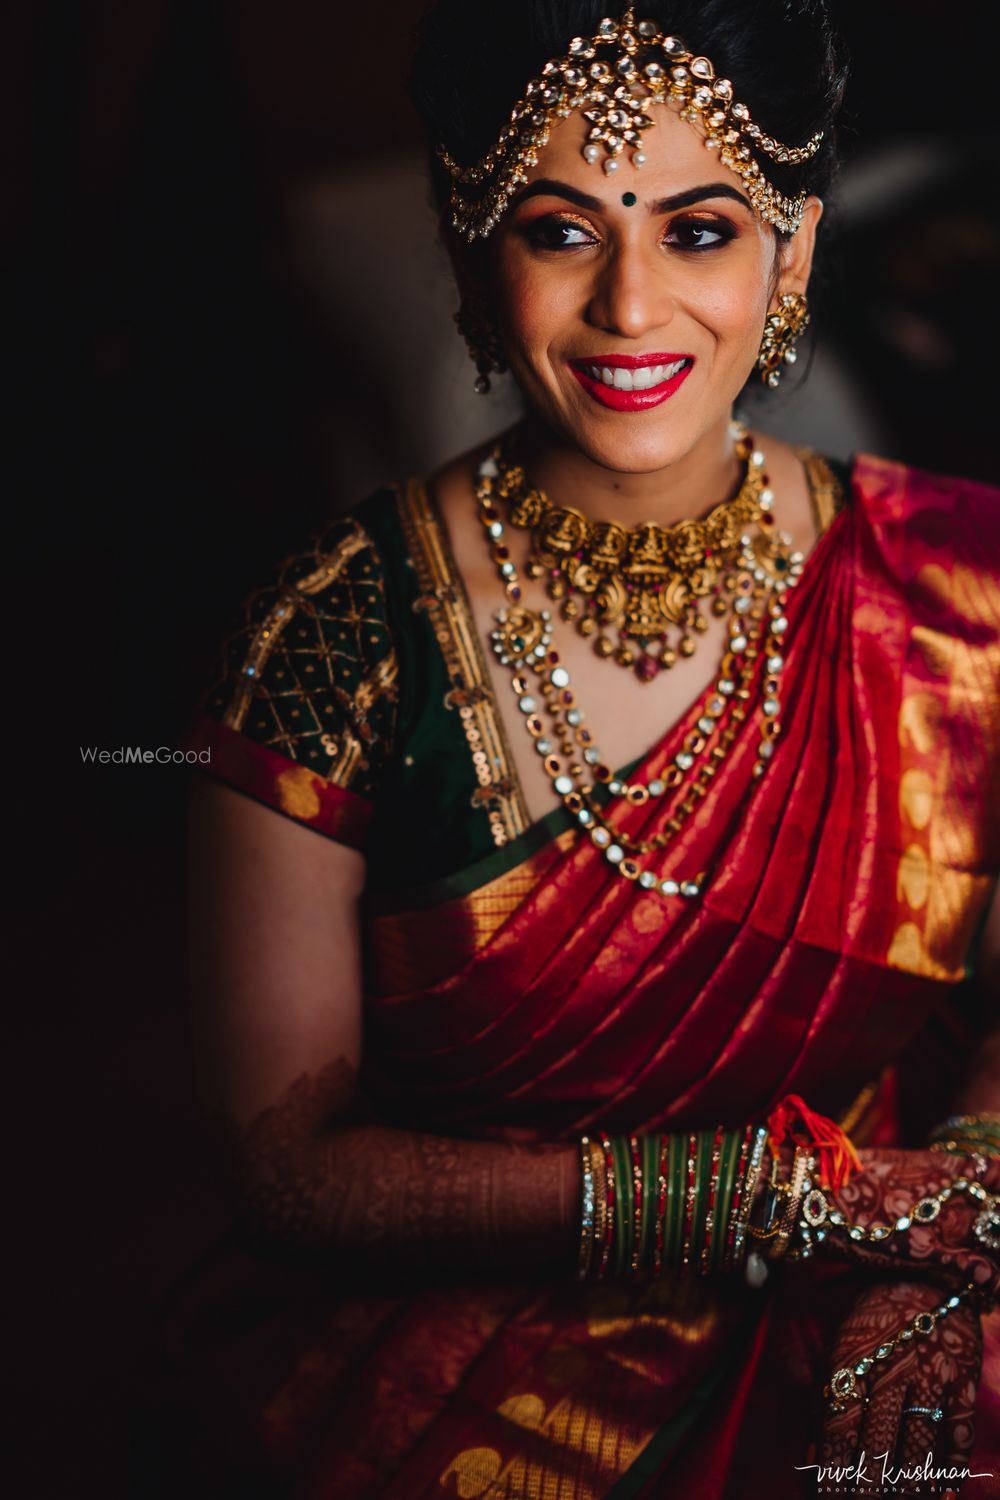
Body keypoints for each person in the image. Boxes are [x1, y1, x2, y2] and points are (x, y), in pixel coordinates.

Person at [163, 3, 1000, 1496]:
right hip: (461, 1389)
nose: (630, 308)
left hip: (899, 1285)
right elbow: (290, 1172)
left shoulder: (960, 586)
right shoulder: (334, 637)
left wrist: (927, 1263)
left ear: (793, 253)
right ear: (467, 247)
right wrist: (775, 1202)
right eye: (561, 230)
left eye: (699, 233)